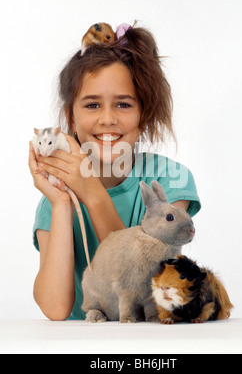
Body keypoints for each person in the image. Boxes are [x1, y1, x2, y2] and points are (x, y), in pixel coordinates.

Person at [28, 22, 201, 321]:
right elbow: (55, 309)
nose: (108, 119)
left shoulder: (169, 180)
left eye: (123, 104)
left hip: (147, 340)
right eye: (92, 105)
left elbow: (148, 282)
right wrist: (61, 203)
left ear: (143, 115)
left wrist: (92, 191)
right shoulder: (55, 198)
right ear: (70, 117)